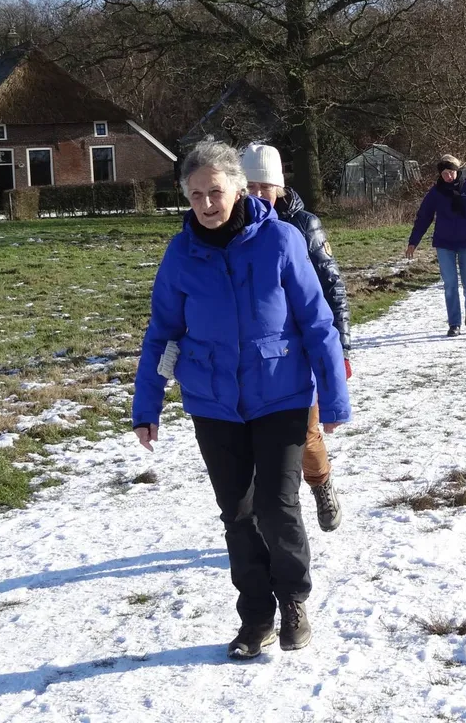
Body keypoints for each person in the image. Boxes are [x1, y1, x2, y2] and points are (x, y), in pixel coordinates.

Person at [132, 138, 349, 660]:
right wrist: (147, 406)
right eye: (196, 194)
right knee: (238, 513)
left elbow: (317, 321)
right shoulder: (181, 254)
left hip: (281, 395)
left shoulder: (280, 241)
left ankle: (294, 600)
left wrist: (335, 397)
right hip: (213, 402)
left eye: (216, 192)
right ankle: (256, 617)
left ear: (239, 189)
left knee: (276, 507)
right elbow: (162, 332)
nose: (207, 203)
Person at [240, 143, 350, 533]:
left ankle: (321, 484)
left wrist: (342, 349)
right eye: (247, 186)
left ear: (279, 188)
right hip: (255, 360)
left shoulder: (304, 226)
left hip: (301, 352)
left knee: (305, 435)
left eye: (263, 187)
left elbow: (332, 288)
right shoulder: (232, 231)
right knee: (253, 448)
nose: (255, 196)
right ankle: (271, 519)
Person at [405, 155, 466, 336]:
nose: (448, 177)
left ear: (457, 172)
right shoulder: (436, 192)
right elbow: (423, 217)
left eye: (451, 173)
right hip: (444, 243)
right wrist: (413, 242)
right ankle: (454, 323)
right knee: (450, 284)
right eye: (445, 174)